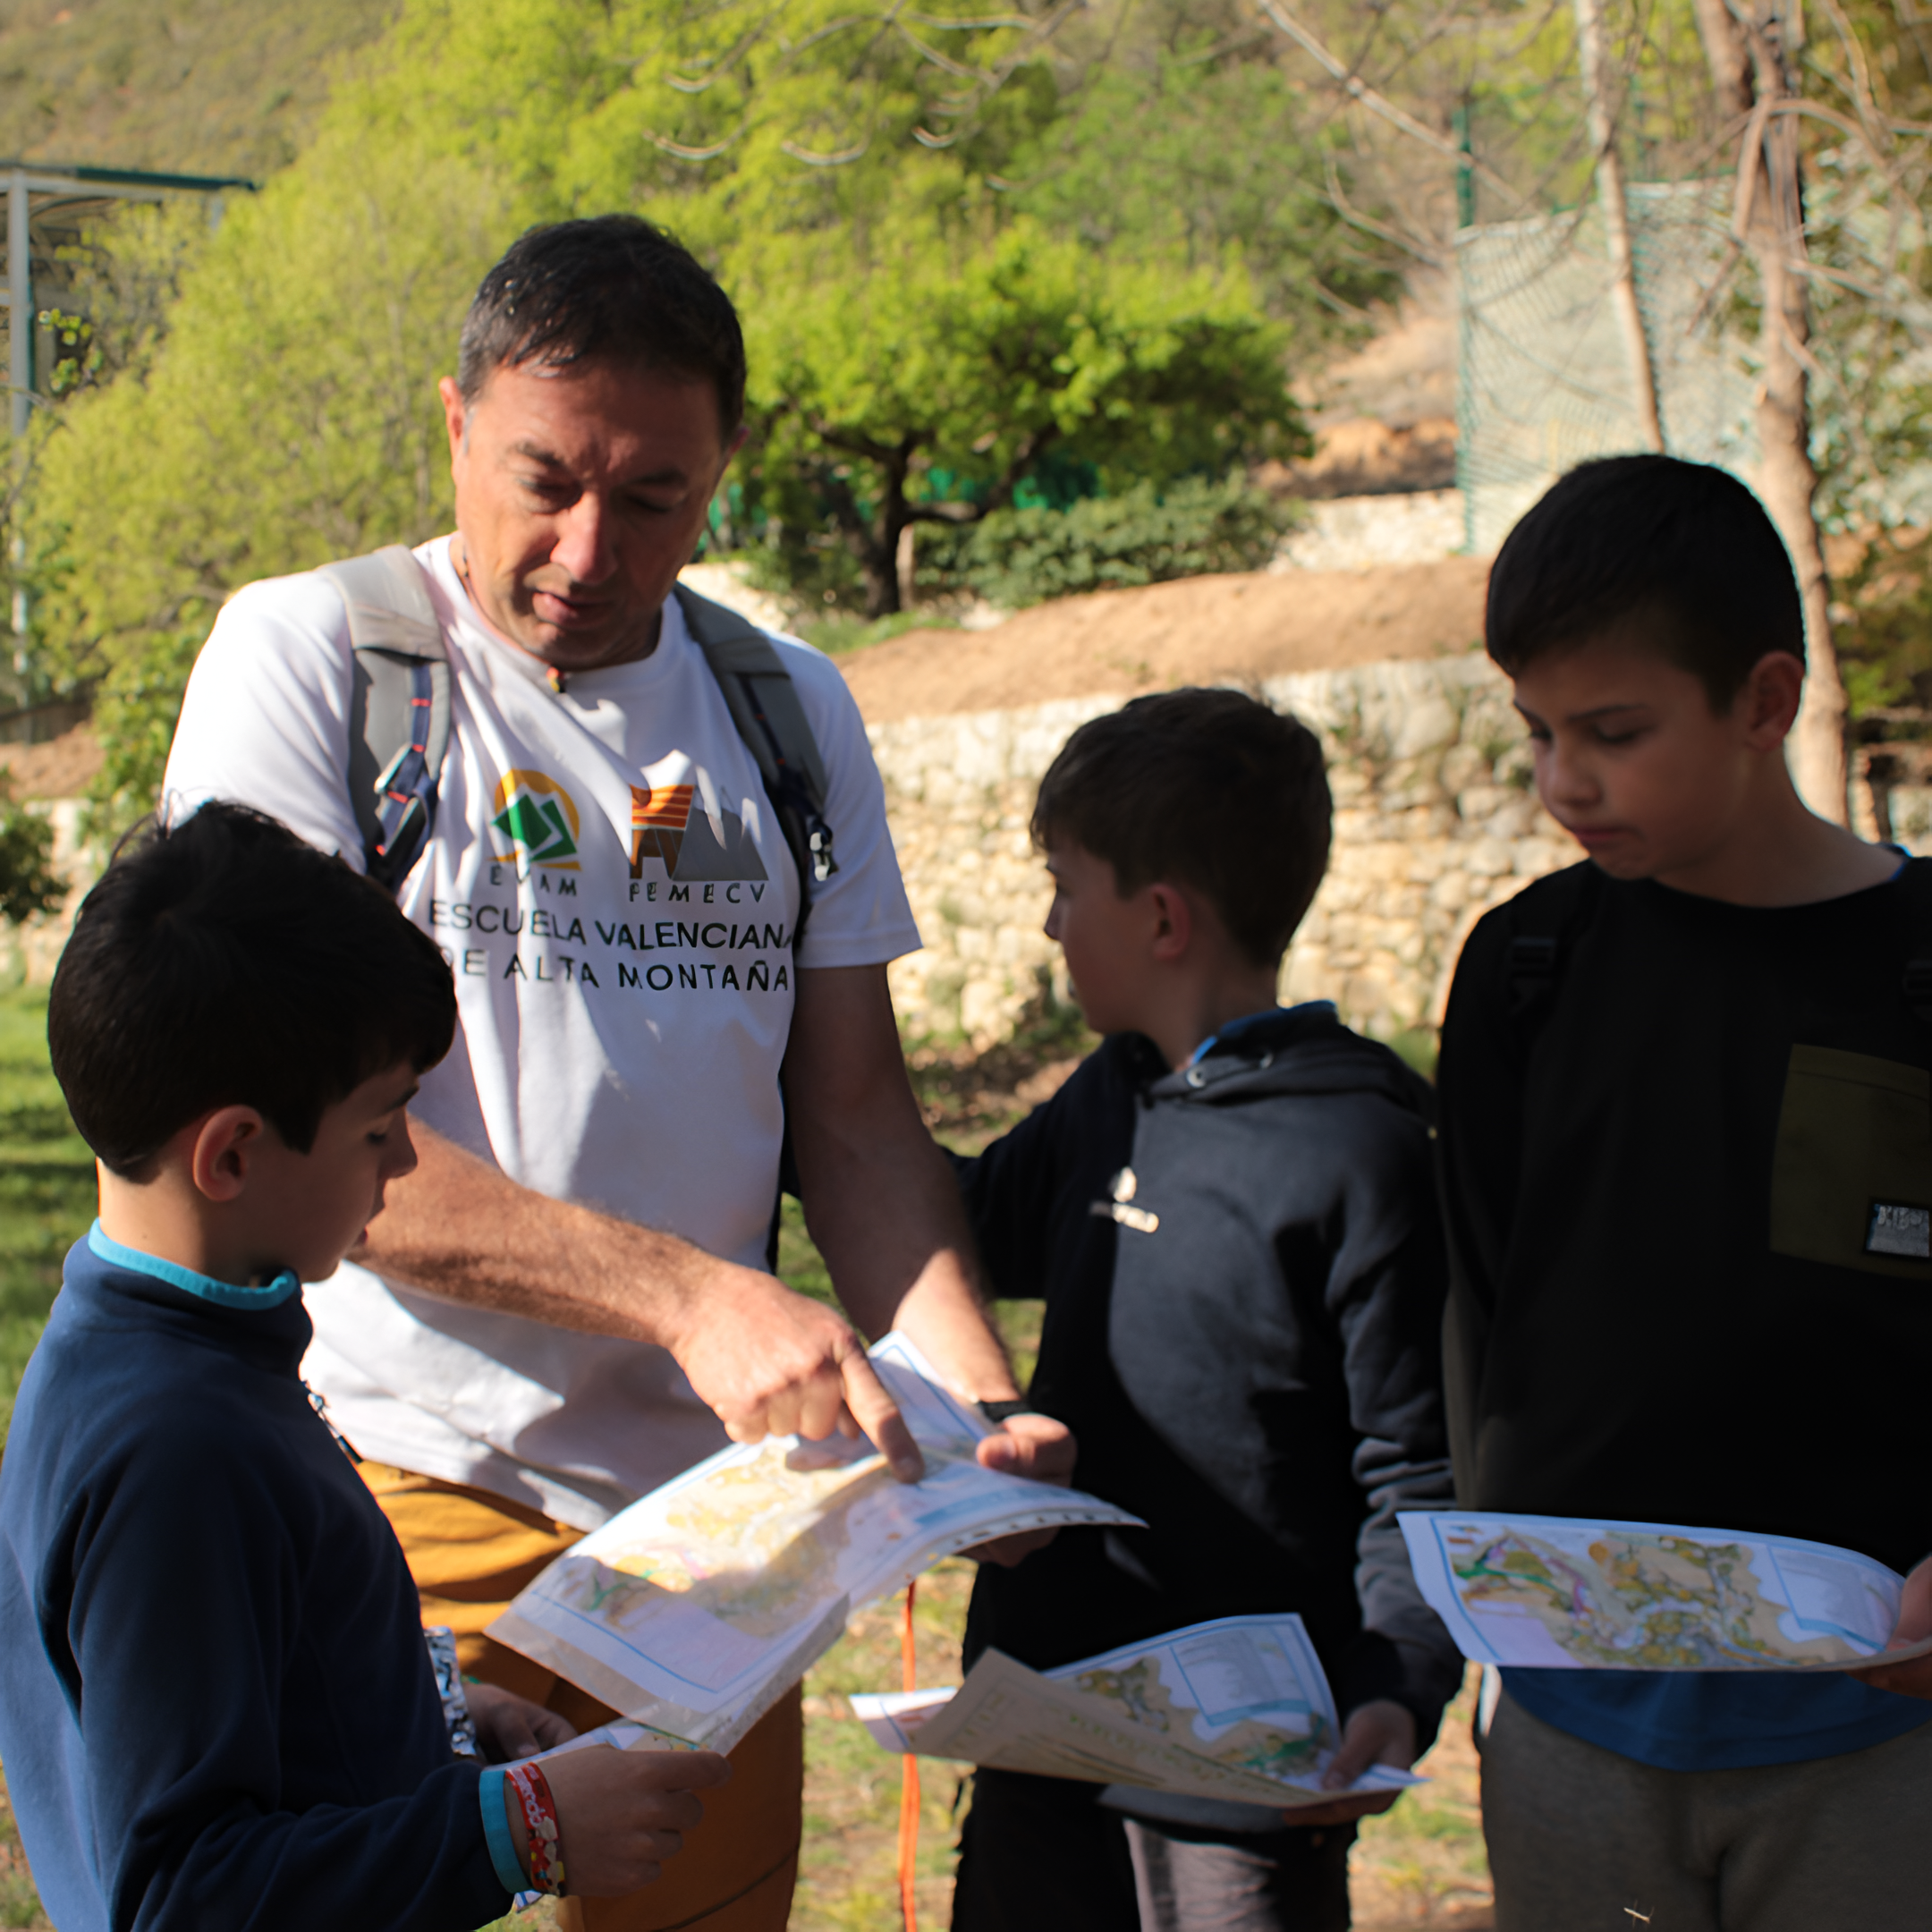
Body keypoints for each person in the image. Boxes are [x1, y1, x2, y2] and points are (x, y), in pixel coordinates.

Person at [160, 215, 1070, 1931]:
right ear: (453, 425)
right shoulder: (312, 662)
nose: (588, 547)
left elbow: (857, 1115)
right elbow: (293, 1124)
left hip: (721, 1534)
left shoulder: (786, 711)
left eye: (653, 498)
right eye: (544, 480)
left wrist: (964, 1399)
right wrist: (689, 1300)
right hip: (391, 1479)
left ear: (721, 476)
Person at [0, 802, 733, 1932]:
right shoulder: (177, 1448)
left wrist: (420, 1717)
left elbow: (246, 1691)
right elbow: (183, 1894)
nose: (402, 1158)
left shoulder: (147, 1351)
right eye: (381, 1121)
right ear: (235, 1150)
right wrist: (516, 1833)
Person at [1436, 453, 1932, 1932]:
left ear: (1766, 700)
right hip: (1576, 1720)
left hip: (1874, 1740)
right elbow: (1479, 1306)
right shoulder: (1527, 968)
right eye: (1535, 731)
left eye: (1614, 731)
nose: (1561, 780)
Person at [944, 689, 1464, 1932]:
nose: (1052, 924)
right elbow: (969, 1219)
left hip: (1245, 1775)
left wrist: (1395, 1684)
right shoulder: (1108, 1096)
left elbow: (1417, 1472)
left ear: (1163, 918)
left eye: (1068, 889)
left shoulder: (1365, 1155)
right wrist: (779, 1111)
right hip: (1042, 1723)